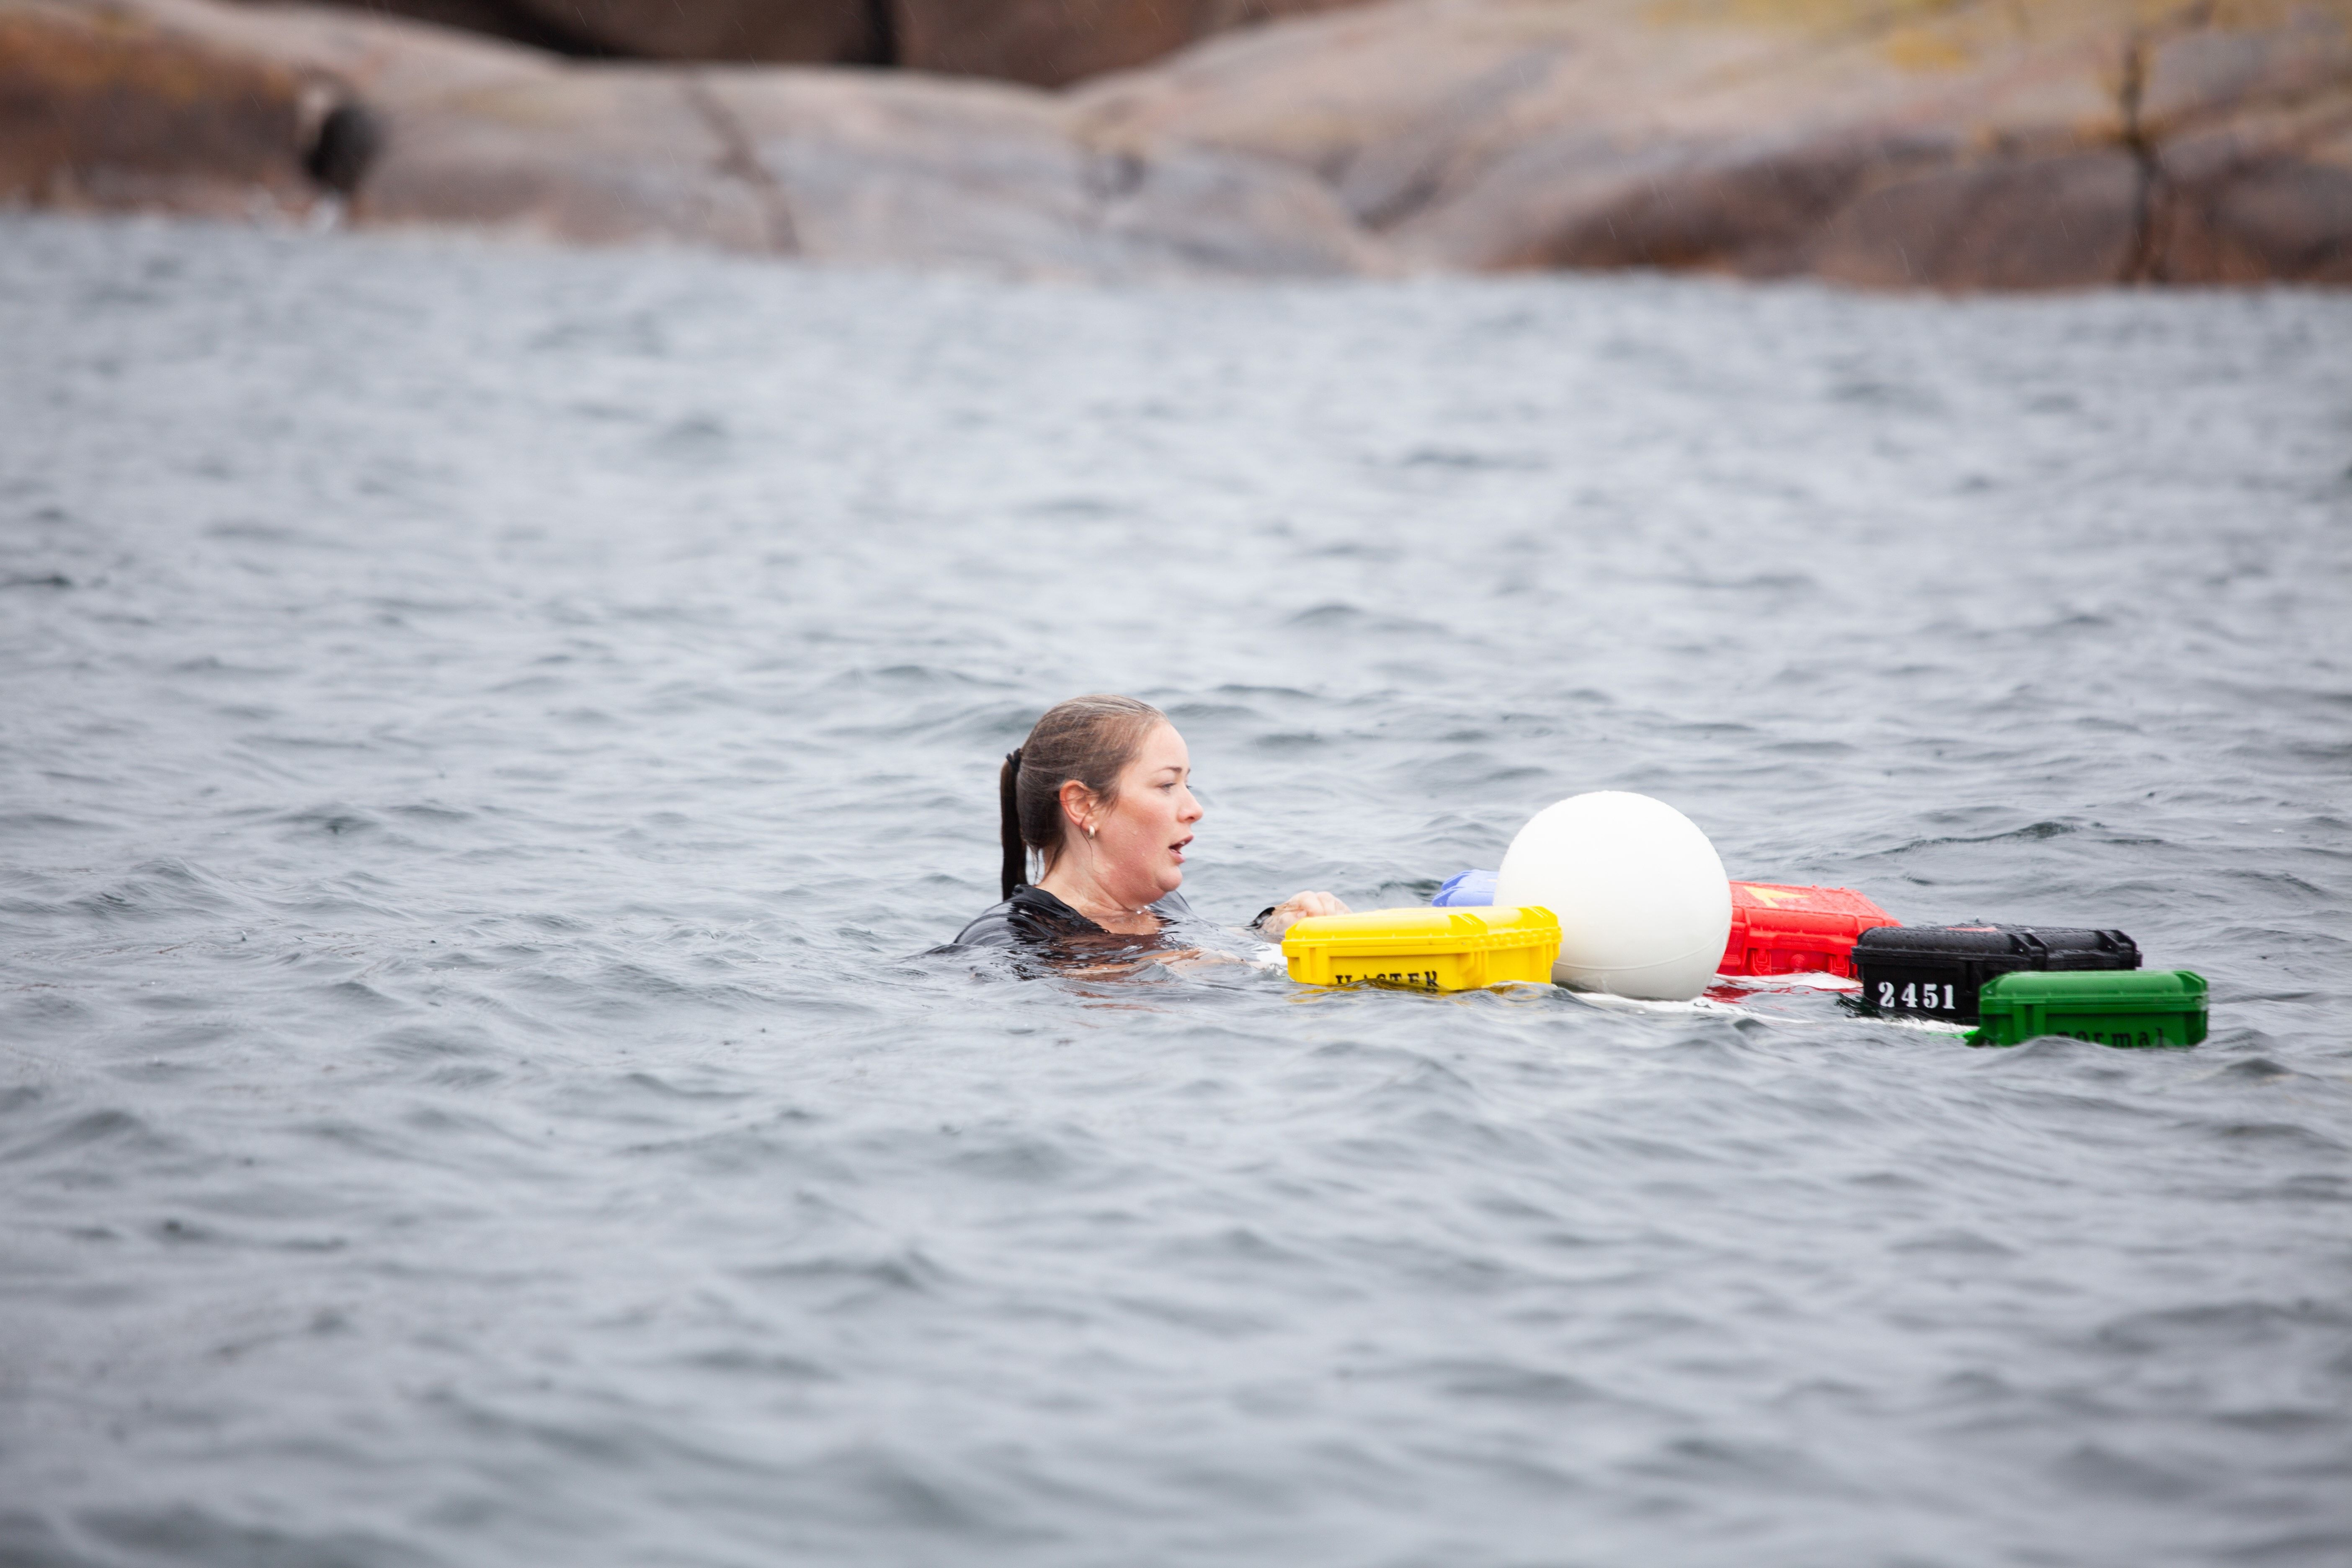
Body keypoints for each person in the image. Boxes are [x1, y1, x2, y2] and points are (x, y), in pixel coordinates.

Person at [953, 694, 1347, 956]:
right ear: (1084, 805)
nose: (1195, 809)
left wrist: (1279, 928)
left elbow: (1210, 948)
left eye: (1187, 785)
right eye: (1166, 785)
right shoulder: (1003, 943)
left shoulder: (1162, 908)